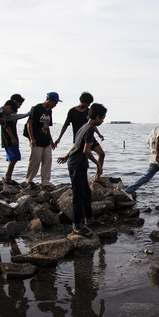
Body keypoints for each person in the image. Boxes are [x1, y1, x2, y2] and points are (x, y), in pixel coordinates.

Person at [58, 103, 108, 237]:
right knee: (78, 196)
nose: (103, 121)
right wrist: (98, 163)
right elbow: (86, 150)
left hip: (79, 164)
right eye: (103, 118)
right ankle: (77, 226)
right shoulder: (89, 129)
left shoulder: (84, 127)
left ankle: (89, 220)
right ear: (97, 117)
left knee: (86, 193)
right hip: (76, 166)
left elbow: (76, 145)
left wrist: (66, 155)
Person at [54, 92, 106, 184]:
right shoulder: (72, 111)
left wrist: (99, 134)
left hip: (90, 137)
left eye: (89, 104)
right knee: (81, 154)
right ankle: (68, 158)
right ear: (81, 101)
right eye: (86, 103)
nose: (88, 105)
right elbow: (66, 125)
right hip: (80, 136)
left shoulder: (89, 111)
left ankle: (97, 176)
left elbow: (93, 124)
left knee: (101, 154)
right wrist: (59, 138)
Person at [24, 92, 61, 190]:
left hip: (45, 140)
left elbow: (46, 126)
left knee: (47, 160)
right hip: (36, 139)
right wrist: (32, 138)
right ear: (49, 100)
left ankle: (45, 182)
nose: (55, 105)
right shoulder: (37, 108)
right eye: (54, 103)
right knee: (35, 160)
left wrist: (51, 140)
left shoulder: (49, 111)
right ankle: (29, 180)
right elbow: (29, 124)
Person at [0, 94, 30, 185]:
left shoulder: (13, 113)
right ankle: (7, 176)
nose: (20, 106)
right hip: (9, 138)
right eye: (19, 104)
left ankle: (8, 176)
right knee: (14, 157)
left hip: (12, 137)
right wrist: (12, 138)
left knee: (13, 157)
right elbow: (7, 126)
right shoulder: (8, 113)